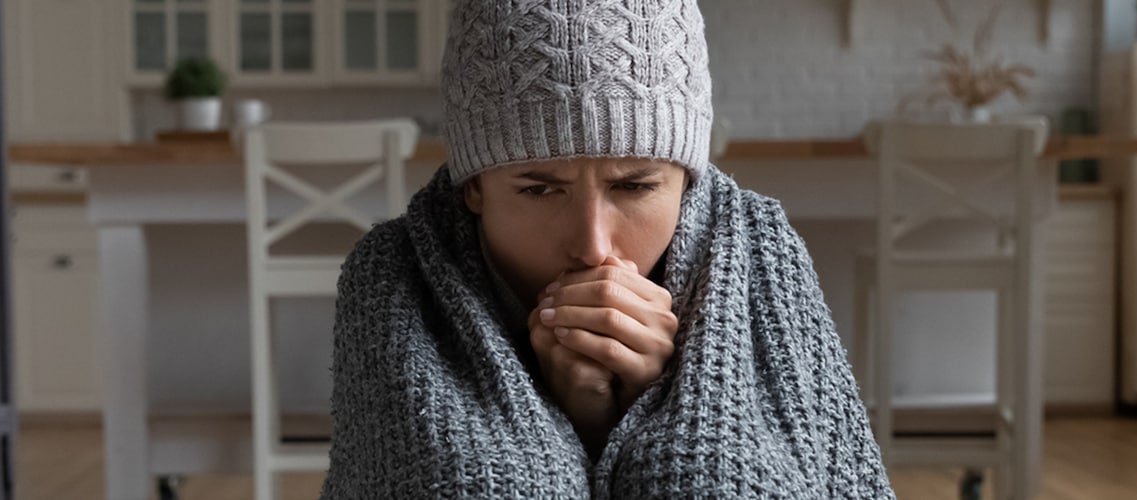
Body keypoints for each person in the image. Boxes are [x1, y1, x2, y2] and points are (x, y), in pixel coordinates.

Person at [322, 0, 894, 497]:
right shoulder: (392, 280)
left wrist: (645, 401)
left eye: (635, 186)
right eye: (539, 190)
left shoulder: (762, 258)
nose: (593, 245)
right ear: (473, 187)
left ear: (687, 185)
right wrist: (580, 415)